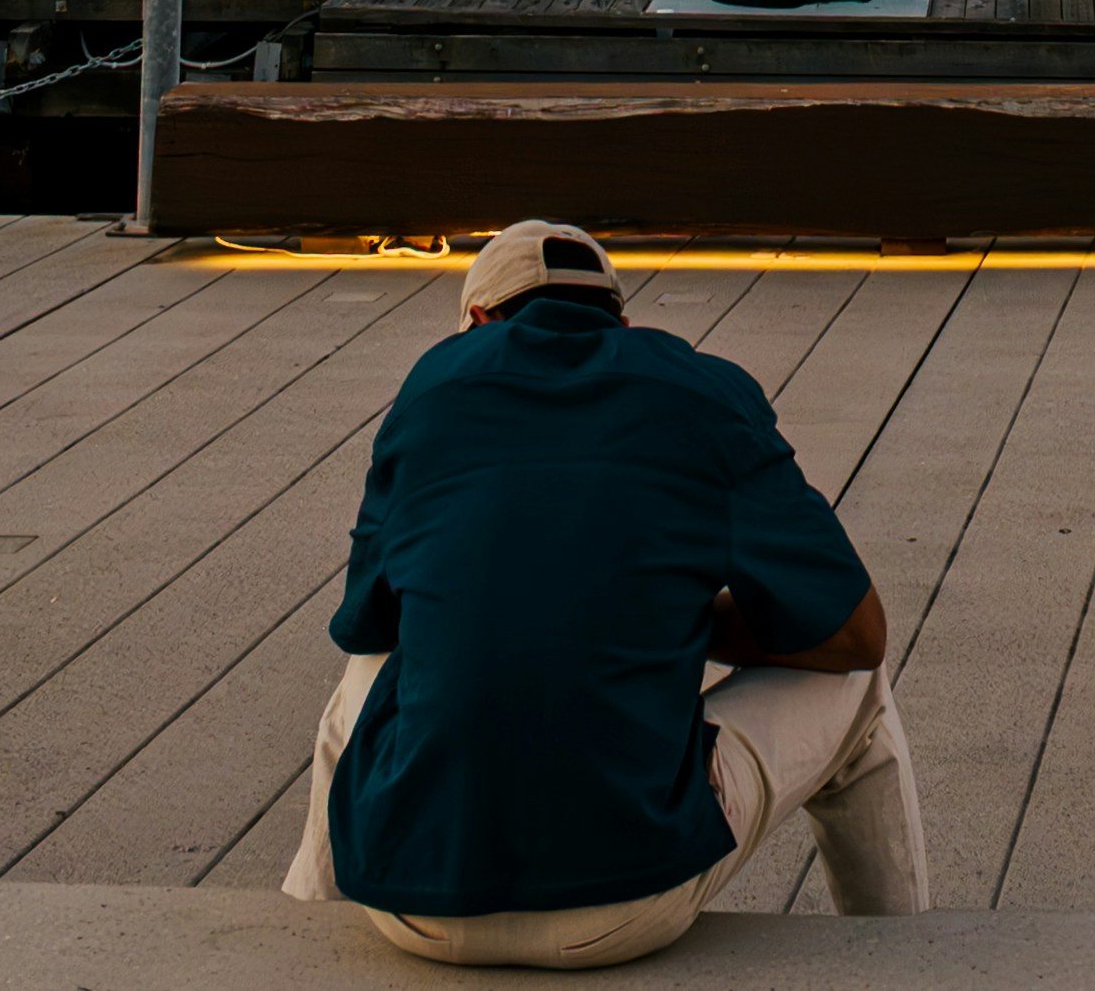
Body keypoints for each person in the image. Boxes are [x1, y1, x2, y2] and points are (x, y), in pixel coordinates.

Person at [285, 219, 930, 965]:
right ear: (622, 322)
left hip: (409, 904)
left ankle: (300, 935)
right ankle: (906, 959)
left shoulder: (434, 385)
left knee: (366, 674)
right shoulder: (701, 391)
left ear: (478, 323)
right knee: (860, 685)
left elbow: (367, 620)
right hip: (627, 901)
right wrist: (695, 616)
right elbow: (858, 632)